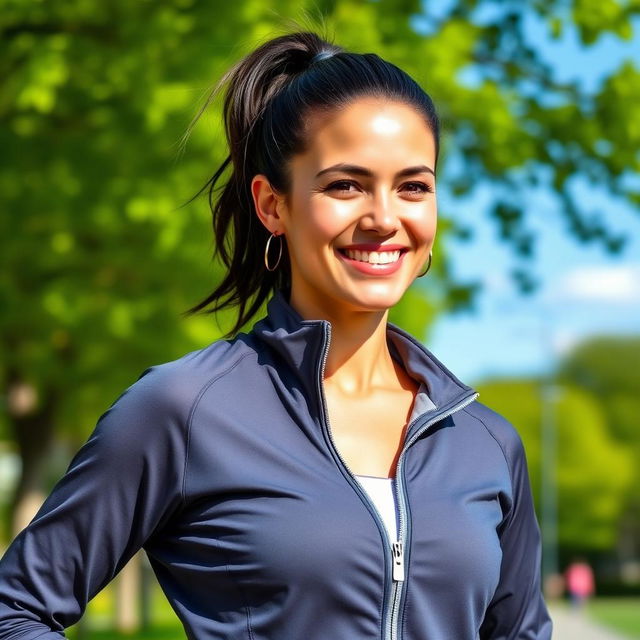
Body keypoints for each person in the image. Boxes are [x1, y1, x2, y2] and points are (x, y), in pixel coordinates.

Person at [0, 30, 553, 639]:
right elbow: (16, 611)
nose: (384, 218)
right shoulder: (183, 411)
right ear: (272, 206)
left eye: (413, 186)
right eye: (345, 185)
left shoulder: (485, 441)